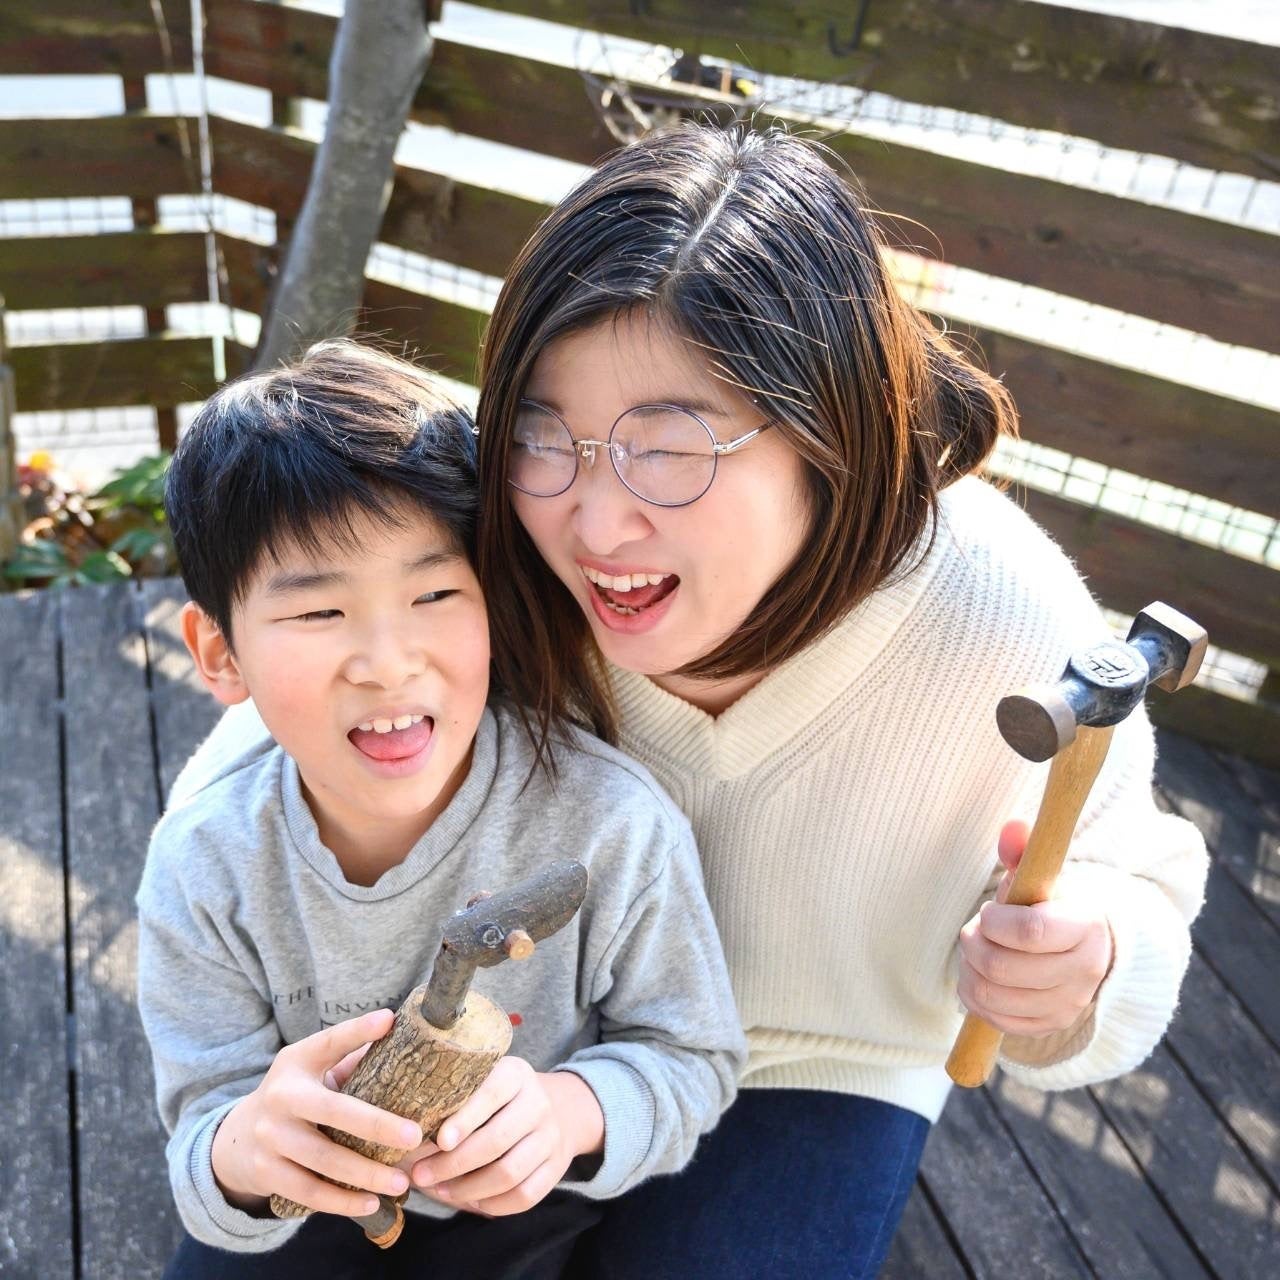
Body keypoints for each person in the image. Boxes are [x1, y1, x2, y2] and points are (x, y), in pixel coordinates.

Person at [173, 125, 1209, 1279]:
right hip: (521, 1022)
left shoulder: (1001, 616)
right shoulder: (501, 547)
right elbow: (319, 701)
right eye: (542, 432)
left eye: (667, 448)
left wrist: (1087, 959)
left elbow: (1130, 870)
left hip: (812, 1060)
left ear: (828, 430)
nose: (595, 522)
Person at [136, 340, 745, 1280]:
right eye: (319, 612)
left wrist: (568, 1115)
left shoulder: (610, 824)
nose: (388, 661)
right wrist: (247, 1150)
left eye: (433, 593)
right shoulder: (204, 863)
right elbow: (203, 1130)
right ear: (219, 654)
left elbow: (691, 1056)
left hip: (529, 1200)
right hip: (316, 1211)